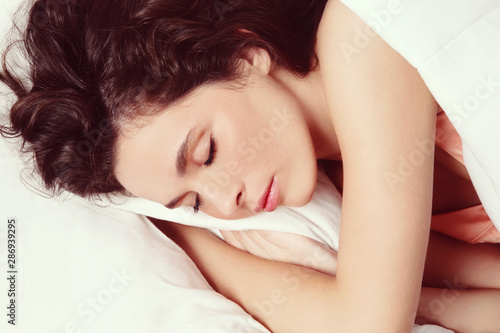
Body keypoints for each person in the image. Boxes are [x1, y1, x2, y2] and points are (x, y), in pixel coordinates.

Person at [1, 0, 499, 332]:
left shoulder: (363, 40)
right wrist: (407, 295)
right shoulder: (353, 198)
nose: (223, 201)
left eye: (206, 152)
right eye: (192, 204)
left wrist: (187, 242)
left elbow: (365, 325)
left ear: (245, 53)